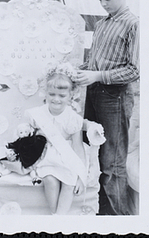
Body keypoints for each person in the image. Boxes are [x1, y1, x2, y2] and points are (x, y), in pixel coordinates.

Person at [76, 0, 139, 215]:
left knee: (112, 162)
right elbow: (94, 64)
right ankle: (99, 212)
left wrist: (97, 76)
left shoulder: (133, 25)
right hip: (94, 94)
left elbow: (135, 70)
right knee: (93, 152)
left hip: (115, 97)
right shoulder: (102, 24)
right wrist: (77, 71)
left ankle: (121, 221)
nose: (103, 4)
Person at [25, 62, 88, 215]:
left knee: (69, 182)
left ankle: (59, 219)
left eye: (62, 95)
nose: (56, 100)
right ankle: (56, 218)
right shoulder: (38, 114)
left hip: (67, 156)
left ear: (71, 95)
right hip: (47, 155)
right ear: (45, 93)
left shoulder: (73, 118)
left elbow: (78, 147)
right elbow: (29, 140)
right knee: (50, 180)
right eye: (52, 94)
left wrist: (81, 176)